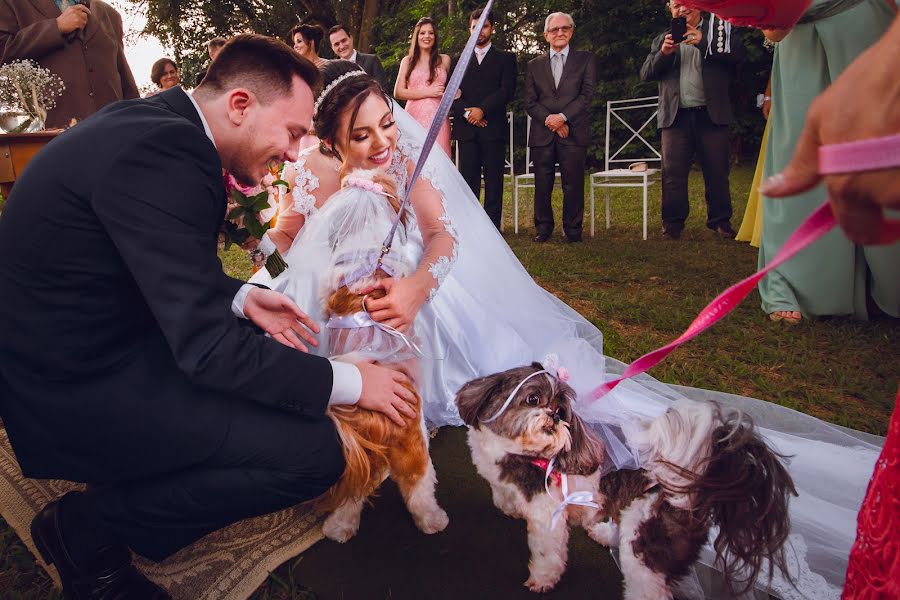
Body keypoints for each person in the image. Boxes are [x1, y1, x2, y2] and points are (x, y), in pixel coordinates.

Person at [255, 59, 882, 599]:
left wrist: (419, 286)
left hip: (410, 310)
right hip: (336, 308)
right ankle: (349, 484)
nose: (384, 141)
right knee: (334, 402)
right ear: (332, 145)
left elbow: (443, 235)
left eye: (388, 123)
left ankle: (420, 485)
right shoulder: (315, 170)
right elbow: (291, 228)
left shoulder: (408, 164)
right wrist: (273, 245)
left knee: (408, 405)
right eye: (362, 136)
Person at [0, 35, 416, 600]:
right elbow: (209, 352)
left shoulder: (157, 125)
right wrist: (351, 383)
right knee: (315, 454)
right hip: (77, 386)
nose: (297, 153)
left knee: (271, 369)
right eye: (293, 132)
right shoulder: (167, 155)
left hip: (86, 342)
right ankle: (87, 528)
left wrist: (239, 296)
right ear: (240, 105)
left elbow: (135, 262)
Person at [753, 0, 899, 323]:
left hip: (866, 23)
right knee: (799, 153)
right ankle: (790, 284)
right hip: (798, 35)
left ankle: (884, 283)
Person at [640, 1, 744, 241]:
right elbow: (646, 73)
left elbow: (739, 58)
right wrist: (664, 54)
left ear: (700, 6)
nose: (683, 9)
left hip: (711, 113)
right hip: (676, 116)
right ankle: (672, 223)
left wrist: (704, 42)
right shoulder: (663, 39)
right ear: (670, 9)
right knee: (673, 173)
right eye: (677, 5)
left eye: (688, 3)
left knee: (717, 171)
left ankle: (720, 221)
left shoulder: (718, 32)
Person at [0, 0, 139, 129]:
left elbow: (124, 78)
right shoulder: (11, 3)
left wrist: (139, 122)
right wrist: (55, 27)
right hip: (51, 138)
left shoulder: (110, 14)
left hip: (115, 133)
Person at [525, 12, 596, 243]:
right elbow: (530, 102)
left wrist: (563, 118)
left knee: (573, 182)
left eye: (565, 28)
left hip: (573, 131)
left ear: (572, 31)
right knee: (542, 183)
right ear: (546, 35)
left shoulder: (585, 59)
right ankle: (543, 228)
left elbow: (586, 96)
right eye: (554, 30)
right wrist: (551, 121)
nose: (560, 33)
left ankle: (573, 229)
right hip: (542, 133)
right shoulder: (533, 65)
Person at [450, 8, 517, 230]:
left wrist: (482, 110)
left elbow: (507, 91)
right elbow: (450, 94)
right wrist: (468, 113)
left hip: (493, 128)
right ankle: (470, 229)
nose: (480, 31)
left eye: (484, 26)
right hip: (466, 129)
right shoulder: (457, 61)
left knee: (493, 181)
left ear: (492, 28)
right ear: (469, 30)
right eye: (475, 27)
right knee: (468, 182)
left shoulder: (506, 59)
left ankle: (492, 229)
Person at [394, 17, 452, 156]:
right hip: (414, 117)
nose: (427, 36)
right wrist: (429, 92)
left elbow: (449, 89)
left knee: (439, 157)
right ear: (417, 36)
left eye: (431, 33)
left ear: (435, 36)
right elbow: (398, 92)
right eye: (422, 33)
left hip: (438, 117)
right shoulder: (407, 61)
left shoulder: (444, 60)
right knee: (414, 158)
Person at [327, 24, 388, 89]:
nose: (341, 46)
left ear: (351, 38)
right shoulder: (331, 71)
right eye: (336, 44)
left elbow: (382, 89)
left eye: (344, 40)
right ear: (332, 48)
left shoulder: (371, 61)